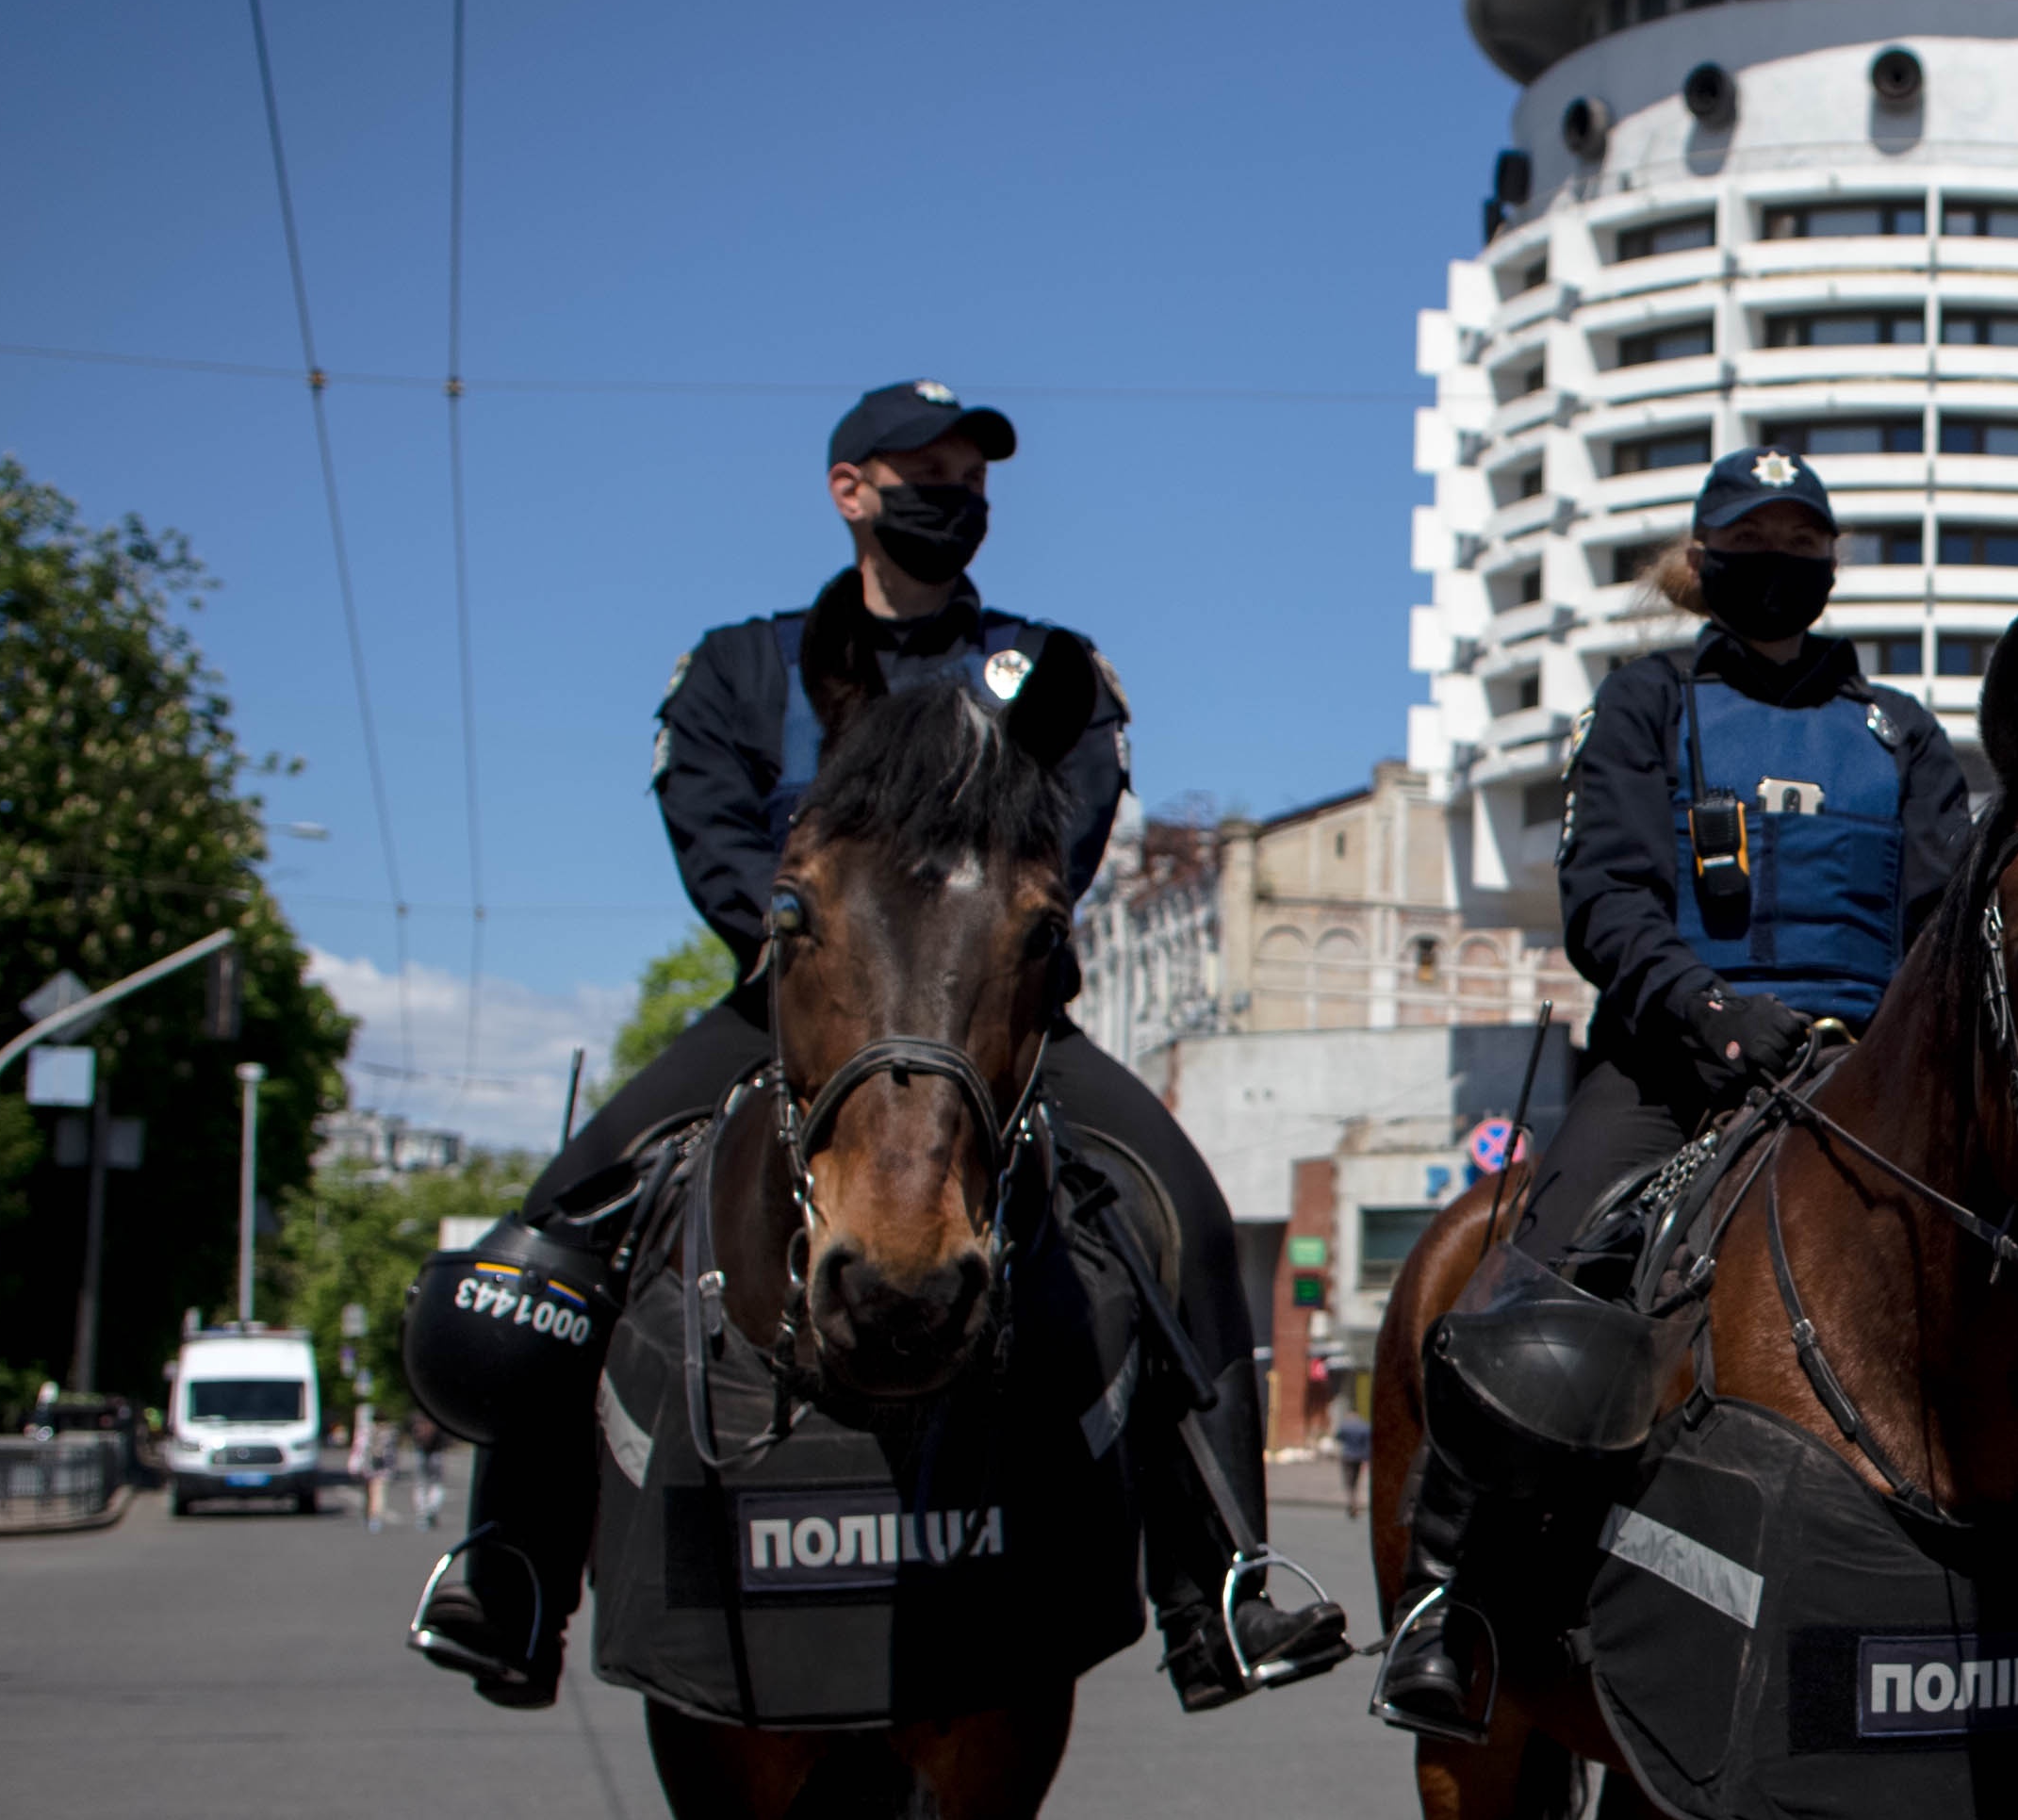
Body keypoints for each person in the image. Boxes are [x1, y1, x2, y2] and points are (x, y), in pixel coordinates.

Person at [409, 380, 1336, 1712]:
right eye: (921, 472)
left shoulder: (1048, 669)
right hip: (791, 1001)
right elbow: (711, 825)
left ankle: (1224, 1587)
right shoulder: (741, 663)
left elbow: (1063, 841)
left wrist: (970, 949)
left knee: (1174, 1205)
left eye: (970, 475)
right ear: (851, 490)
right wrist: (804, 938)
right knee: (560, 1222)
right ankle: (509, 1569)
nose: (951, 495)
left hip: (983, 1016)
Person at [1375, 449, 1977, 1738]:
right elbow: (1607, 901)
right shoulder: (1645, 706)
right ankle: (1450, 1596)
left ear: (1830, 566)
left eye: (1804, 543)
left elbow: (1944, 925)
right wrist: (1716, 1016)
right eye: (1755, 543)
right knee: (1538, 1272)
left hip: (1867, 1084)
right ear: (1706, 567)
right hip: (1672, 1062)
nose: (1785, 565)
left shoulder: (1903, 734)